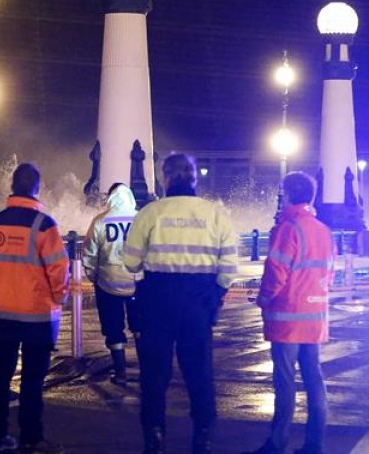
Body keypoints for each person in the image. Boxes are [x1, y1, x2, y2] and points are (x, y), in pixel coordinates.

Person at [123, 152, 239, 454]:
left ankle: (155, 437)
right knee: (199, 372)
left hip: (157, 299)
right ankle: (202, 438)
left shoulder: (150, 213)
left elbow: (130, 262)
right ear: (194, 179)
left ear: (166, 178)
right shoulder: (215, 214)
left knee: (154, 374)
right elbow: (229, 266)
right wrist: (214, 294)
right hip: (198, 301)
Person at [241, 172, 333, 454]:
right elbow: (328, 275)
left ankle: (277, 442)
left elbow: (276, 272)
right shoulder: (324, 230)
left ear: (288, 195)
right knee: (314, 379)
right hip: (314, 317)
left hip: (287, 319)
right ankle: (314, 443)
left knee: (284, 381)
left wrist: (263, 298)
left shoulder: (289, 229)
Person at [0, 162, 69, 454]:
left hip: (1, 313)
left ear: (12, 185)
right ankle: (32, 438)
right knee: (32, 381)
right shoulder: (45, 225)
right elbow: (59, 270)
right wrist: (58, 298)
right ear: (36, 188)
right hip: (37, 317)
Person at [83, 182, 141, 386]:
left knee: (113, 329)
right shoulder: (140, 219)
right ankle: (147, 371)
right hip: (137, 284)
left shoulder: (100, 221)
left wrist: (94, 278)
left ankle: (121, 373)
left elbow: (90, 255)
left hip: (108, 284)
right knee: (141, 327)